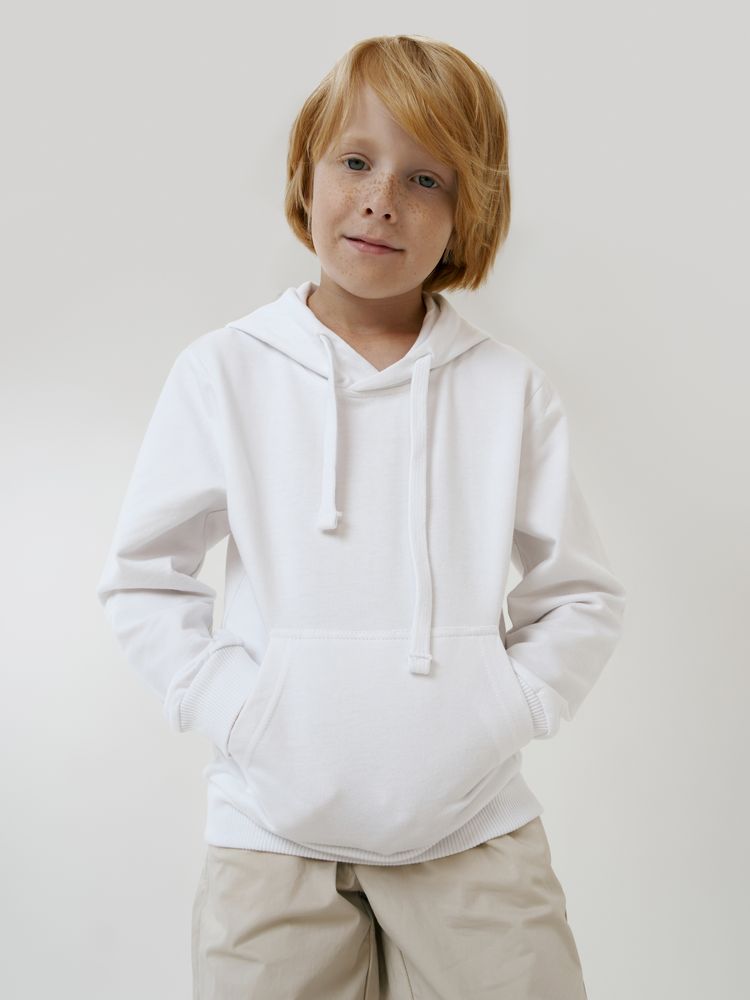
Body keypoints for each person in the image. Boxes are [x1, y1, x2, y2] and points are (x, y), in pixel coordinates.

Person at [96, 33, 626, 1000]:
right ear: (305, 173)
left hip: (474, 832)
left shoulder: (508, 390)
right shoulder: (224, 372)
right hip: (269, 835)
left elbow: (579, 596)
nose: (382, 198)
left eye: (426, 179)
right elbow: (144, 580)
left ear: (468, 214)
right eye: (355, 161)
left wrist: (498, 713)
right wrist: (244, 716)